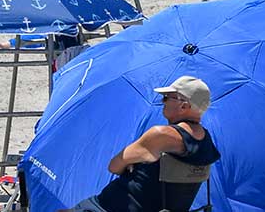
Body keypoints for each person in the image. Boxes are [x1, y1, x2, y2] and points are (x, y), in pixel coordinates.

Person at [71, 76, 221, 212]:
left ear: (184, 106)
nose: (163, 102)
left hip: (108, 206)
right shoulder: (206, 140)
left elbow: (114, 166)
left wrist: (132, 164)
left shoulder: (161, 134)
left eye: (166, 97)